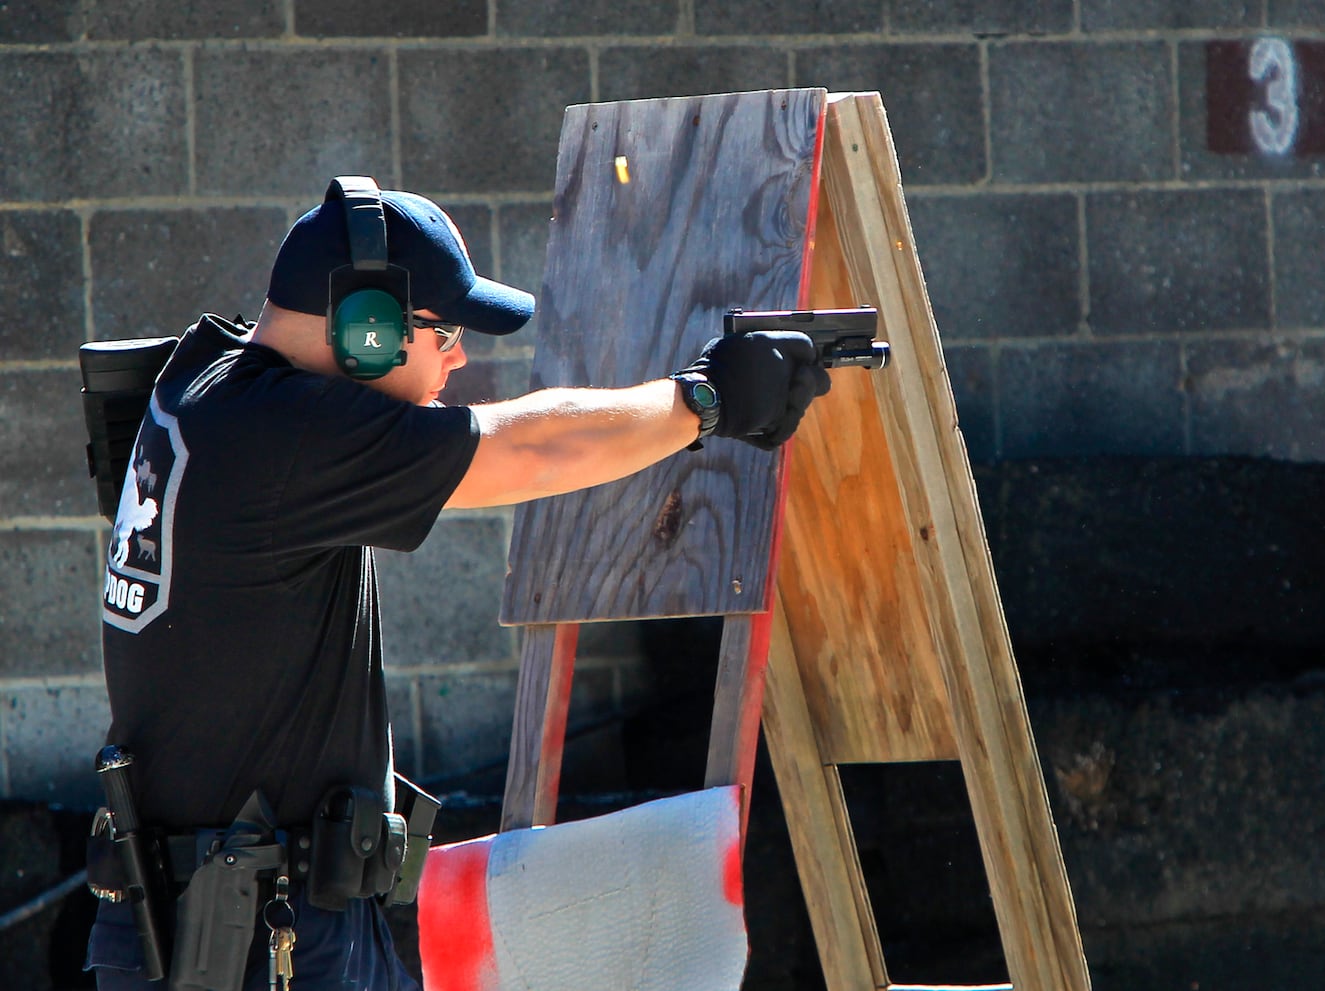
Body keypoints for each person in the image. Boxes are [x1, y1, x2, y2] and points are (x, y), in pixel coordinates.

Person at [83, 176, 831, 990]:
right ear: (365, 329)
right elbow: (533, 448)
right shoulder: (285, 434)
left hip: (237, 914)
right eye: (444, 333)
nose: (459, 356)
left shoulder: (203, 384)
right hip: (258, 934)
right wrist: (705, 401)